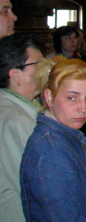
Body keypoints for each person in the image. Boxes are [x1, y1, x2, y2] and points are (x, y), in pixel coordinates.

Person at [20, 57, 86, 222]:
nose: (83, 108)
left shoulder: (61, 138)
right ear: (49, 97)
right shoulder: (54, 150)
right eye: (72, 97)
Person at [0, 34, 44, 222]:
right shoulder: (15, 120)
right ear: (15, 75)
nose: (46, 70)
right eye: (38, 65)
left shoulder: (20, 108)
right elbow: (35, 183)